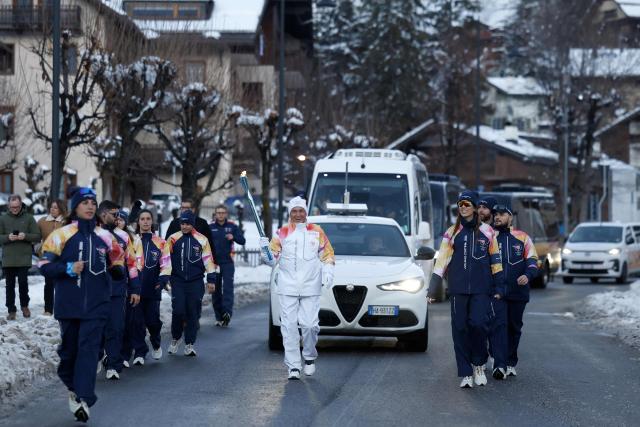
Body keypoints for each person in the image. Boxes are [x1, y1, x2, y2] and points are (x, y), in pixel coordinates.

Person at [39, 187, 125, 422]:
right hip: (69, 305)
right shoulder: (61, 234)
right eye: (85, 202)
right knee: (69, 352)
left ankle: (82, 397)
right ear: (76, 206)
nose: (90, 206)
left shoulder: (105, 236)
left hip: (97, 305)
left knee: (89, 350)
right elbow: (44, 264)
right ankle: (73, 387)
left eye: (93, 202)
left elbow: (118, 256)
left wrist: (117, 268)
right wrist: (67, 269)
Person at [427, 190, 505, 389]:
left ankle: (479, 364)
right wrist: (433, 289)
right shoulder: (451, 232)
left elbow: (496, 260)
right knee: (460, 329)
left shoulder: (488, 232)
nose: (463, 207)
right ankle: (466, 372)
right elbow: (441, 261)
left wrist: (499, 286)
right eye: (460, 205)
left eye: (467, 204)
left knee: (478, 325)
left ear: (474, 207)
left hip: (481, 289)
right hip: (458, 290)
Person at [259, 196, 335, 380]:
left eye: (301, 210)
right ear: (290, 213)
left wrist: (328, 270)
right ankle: (293, 366)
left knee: (310, 325)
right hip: (287, 286)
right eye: (295, 211)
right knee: (289, 326)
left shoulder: (316, 231)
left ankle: (309, 357)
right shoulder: (282, 233)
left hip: (310, 286)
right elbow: (272, 260)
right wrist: (265, 251)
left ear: (306, 212)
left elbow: (328, 254)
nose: (298, 214)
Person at [160, 210, 218, 357]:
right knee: (178, 310)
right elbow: (166, 259)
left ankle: (190, 343)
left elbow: (208, 261)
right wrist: (164, 278)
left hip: (196, 281)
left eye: (188, 224)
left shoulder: (202, 240)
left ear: (192, 224)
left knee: (193, 312)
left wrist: (211, 279)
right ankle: (176, 337)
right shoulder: (173, 238)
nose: (185, 226)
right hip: (177, 281)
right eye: (182, 223)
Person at [491, 203, 538, 379]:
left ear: (510, 217)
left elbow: (533, 259)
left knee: (514, 327)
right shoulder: (490, 237)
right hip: (497, 292)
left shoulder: (523, 237)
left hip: (518, 292)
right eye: (496, 214)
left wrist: (528, 274)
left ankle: (510, 362)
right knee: (498, 326)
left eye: (502, 214)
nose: (497, 217)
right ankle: (499, 365)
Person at [97, 202, 141, 380]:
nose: (118, 218)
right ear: (103, 213)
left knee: (116, 327)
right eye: (114, 214)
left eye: (118, 215)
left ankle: (114, 365)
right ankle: (99, 356)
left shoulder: (123, 237)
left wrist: (135, 288)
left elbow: (131, 264)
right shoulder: (92, 235)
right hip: (95, 292)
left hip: (117, 290)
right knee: (97, 328)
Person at [130, 209, 165, 361]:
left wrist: (162, 281)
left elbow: (166, 264)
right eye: (142, 219)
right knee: (137, 322)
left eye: (148, 218)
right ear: (138, 222)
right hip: (136, 290)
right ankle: (139, 352)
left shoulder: (160, 242)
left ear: (152, 221)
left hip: (153, 289)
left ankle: (156, 343)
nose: (145, 221)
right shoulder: (132, 241)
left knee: (153, 321)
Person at [0, 194, 41, 320]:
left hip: (24, 257)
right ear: (8, 206)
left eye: (17, 207)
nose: (15, 209)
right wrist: (8, 237)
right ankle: (11, 309)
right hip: (8, 258)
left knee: (23, 283)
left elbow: (37, 236)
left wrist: (25, 236)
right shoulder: (2, 218)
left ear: (21, 204)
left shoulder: (29, 218)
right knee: (9, 285)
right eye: (12, 207)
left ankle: (25, 305)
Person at [209, 204, 246, 327]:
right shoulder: (210, 227)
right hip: (214, 264)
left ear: (226, 214)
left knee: (228, 288)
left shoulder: (232, 227)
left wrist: (233, 237)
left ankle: (227, 313)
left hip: (228, 262)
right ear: (215, 214)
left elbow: (242, 240)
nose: (220, 215)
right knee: (216, 290)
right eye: (218, 212)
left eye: (223, 212)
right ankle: (219, 317)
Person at [37, 199, 67, 316]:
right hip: (48, 258)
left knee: (62, 284)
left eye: (55, 207)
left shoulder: (66, 222)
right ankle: (48, 309)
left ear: (61, 209)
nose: (52, 209)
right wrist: (39, 249)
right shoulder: (42, 221)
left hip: (62, 257)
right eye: (51, 207)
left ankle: (63, 308)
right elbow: (35, 237)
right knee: (48, 284)